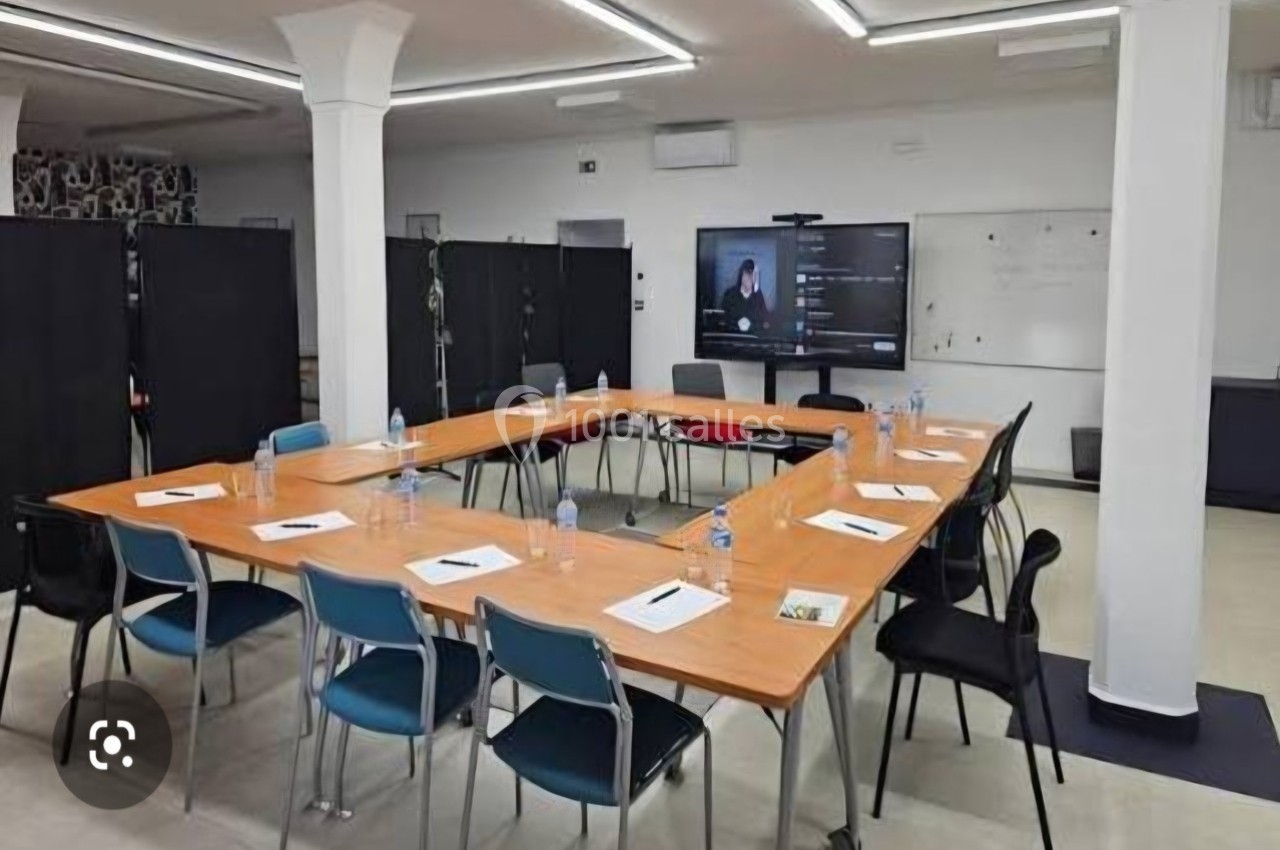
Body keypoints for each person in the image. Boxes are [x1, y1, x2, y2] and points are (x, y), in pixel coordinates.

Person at [720, 258, 769, 333]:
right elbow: (723, 319)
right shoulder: (729, 294)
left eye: (753, 275)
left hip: (753, 338)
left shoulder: (758, 295)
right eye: (747, 274)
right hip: (733, 336)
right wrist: (736, 324)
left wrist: (752, 325)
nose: (750, 278)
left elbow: (765, 321)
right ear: (741, 275)